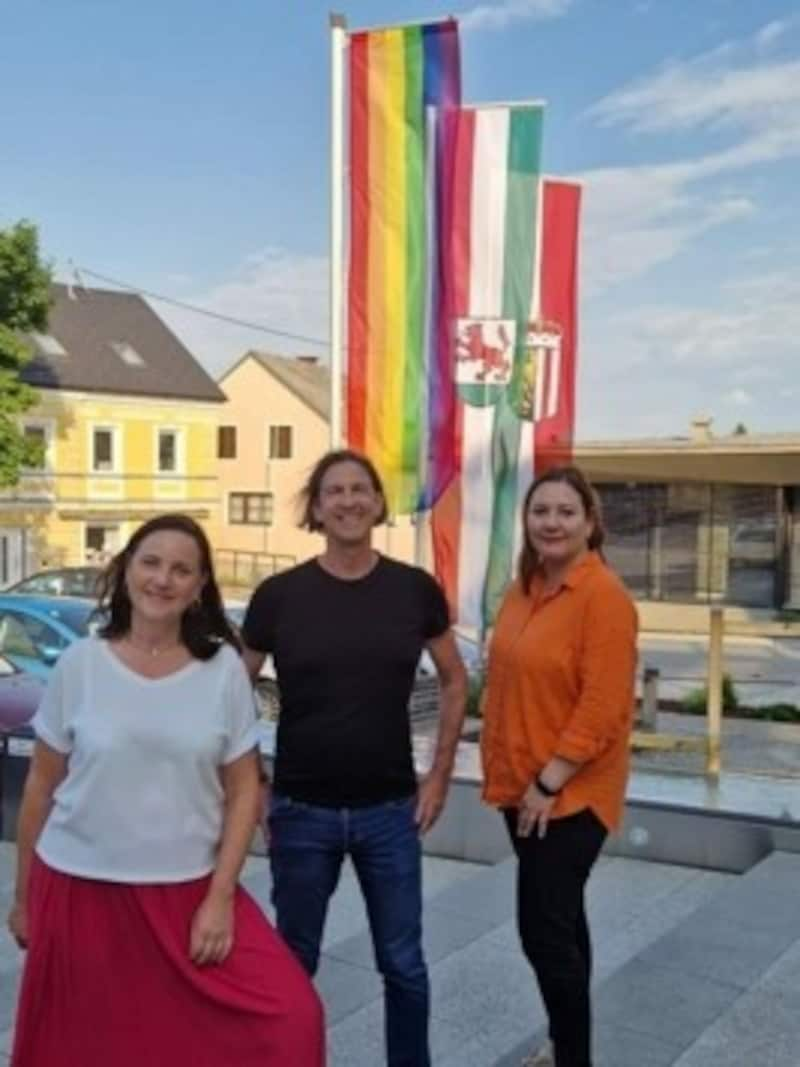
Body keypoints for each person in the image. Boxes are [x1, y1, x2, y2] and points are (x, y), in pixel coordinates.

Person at [8, 514, 324, 1067]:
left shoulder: (222, 669)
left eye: (181, 570)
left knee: (293, 1016)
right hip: (81, 891)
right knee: (94, 1050)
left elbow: (244, 786)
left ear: (199, 586)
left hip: (187, 893)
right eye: (151, 562)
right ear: (127, 568)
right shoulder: (80, 665)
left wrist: (221, 897)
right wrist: (23, 899)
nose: (163, 579)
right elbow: (41, 785)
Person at [242, 449, 468, 1067]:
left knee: (403, 964)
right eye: (334, 491)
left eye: (359, 489)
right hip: (300, 810)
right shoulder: (279, 596)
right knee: (293, 963)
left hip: (390, 811)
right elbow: (232, 689)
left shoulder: (413, 590)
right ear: (316, 508)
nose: (347, 500)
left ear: (376, 502)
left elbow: (454, 679)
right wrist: (251, 783)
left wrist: (439, 773)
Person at [480, 466, 637, 1067]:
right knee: (565, 921)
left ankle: (574, 1057)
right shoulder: (526, 587)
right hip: (522, 786)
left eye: (566, 512)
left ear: (590, 522)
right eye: (540, 510)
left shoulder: (604, 599)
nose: (551, 522)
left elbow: (603, 707)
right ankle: (567, 1042)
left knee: (542, 931)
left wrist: (550, 781)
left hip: (568, 795)